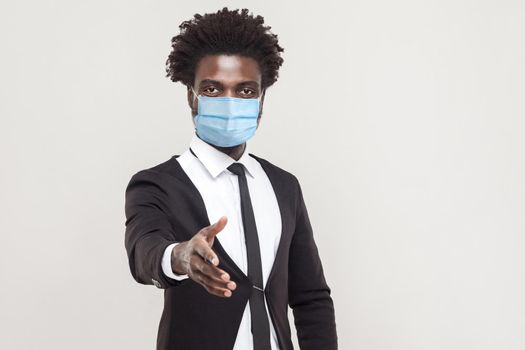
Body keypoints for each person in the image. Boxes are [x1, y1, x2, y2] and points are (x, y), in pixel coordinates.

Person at [124, 7, 337, 350]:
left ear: (262, 99)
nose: (229, 102)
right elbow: (144, 251)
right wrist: (179, 257)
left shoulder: (284, 186)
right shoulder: (157, 184)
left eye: (245, 91)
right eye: (212, 89)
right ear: (190, 96)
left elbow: (310, 297)